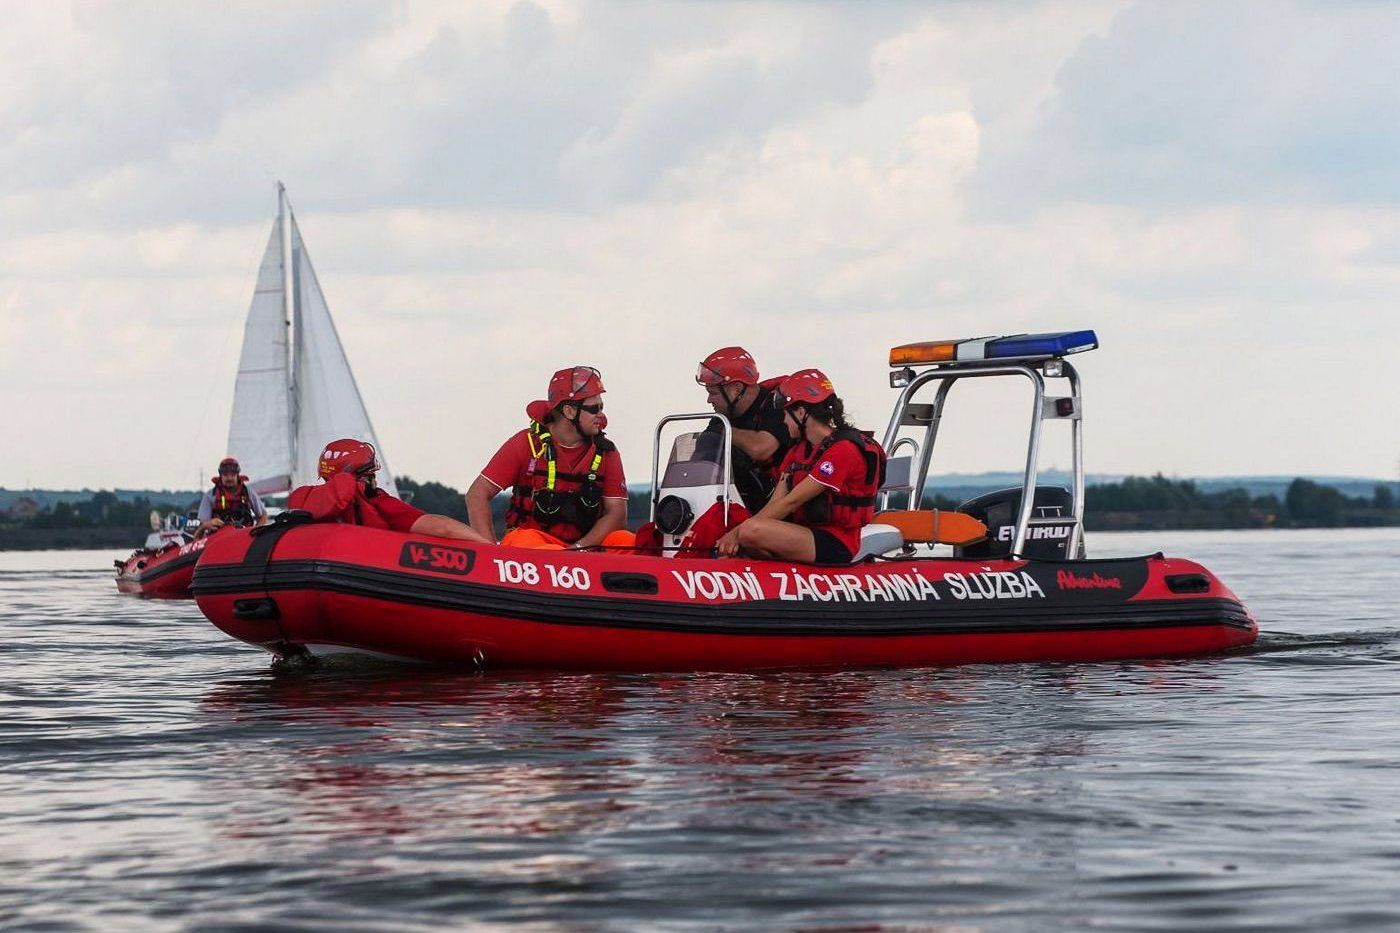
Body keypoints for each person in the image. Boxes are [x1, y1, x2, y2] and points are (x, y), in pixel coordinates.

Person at [716, 369, 885, 565]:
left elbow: (792, 502)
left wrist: (736, 534)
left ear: (801, 412)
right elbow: (776, 502)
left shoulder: (843, 451)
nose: (783, 421)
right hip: (806, 534)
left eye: (786, 415)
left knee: (750, 531)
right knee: (750, 529)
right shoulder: (798, 452)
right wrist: (734, 533)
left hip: (837, 541)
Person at [466, 366, 628, 548]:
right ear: (569, 412)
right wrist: (490, 551)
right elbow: (477, 494)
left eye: (601, 407)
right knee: (526, 541)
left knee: (626, 540)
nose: (601, 415)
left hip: (584, 548)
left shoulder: (607, 451)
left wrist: (579, 549)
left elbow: (617, 514)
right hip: (533, 546)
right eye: (594, 408)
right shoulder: (526, 443)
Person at [290, 438, 489, 541]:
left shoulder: (306, 504)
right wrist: (489, 548)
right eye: (370, 473)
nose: (374, 477)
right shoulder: (376, 501)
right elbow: (443, 528)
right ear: (361, 476)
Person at [695, 346, 794, 514]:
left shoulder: (776, 405)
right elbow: (700, 464)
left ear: (736, 389)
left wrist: (726, 433)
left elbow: (761, 448)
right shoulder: (721, 419)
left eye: (713, 393)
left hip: (783, 504)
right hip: (740, 505)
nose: (708, 400)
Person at [196, 457, 268, 531]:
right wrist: (209, 523)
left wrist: (256, 531)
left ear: (237, 475)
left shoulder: (248, 492)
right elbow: (203, 522)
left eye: (233, 475)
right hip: (218, 536)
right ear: (221, 476)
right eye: (225, 475)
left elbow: (263, 515)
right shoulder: (210, 495)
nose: (229, 478)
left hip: (244, 535)